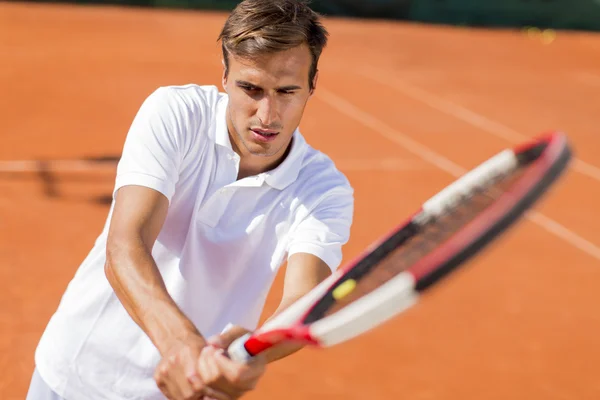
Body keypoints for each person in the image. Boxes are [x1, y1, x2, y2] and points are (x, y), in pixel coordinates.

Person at [27, 0, 354, 399]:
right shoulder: (175, 113)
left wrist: (250, 351)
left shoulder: (324, 189)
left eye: (287, 91)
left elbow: (301, 301)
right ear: (224, 76)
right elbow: (126, 243)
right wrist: (184, 347)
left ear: (313, 84)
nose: (267, 115)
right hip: (78, 375)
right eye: (250, 89)